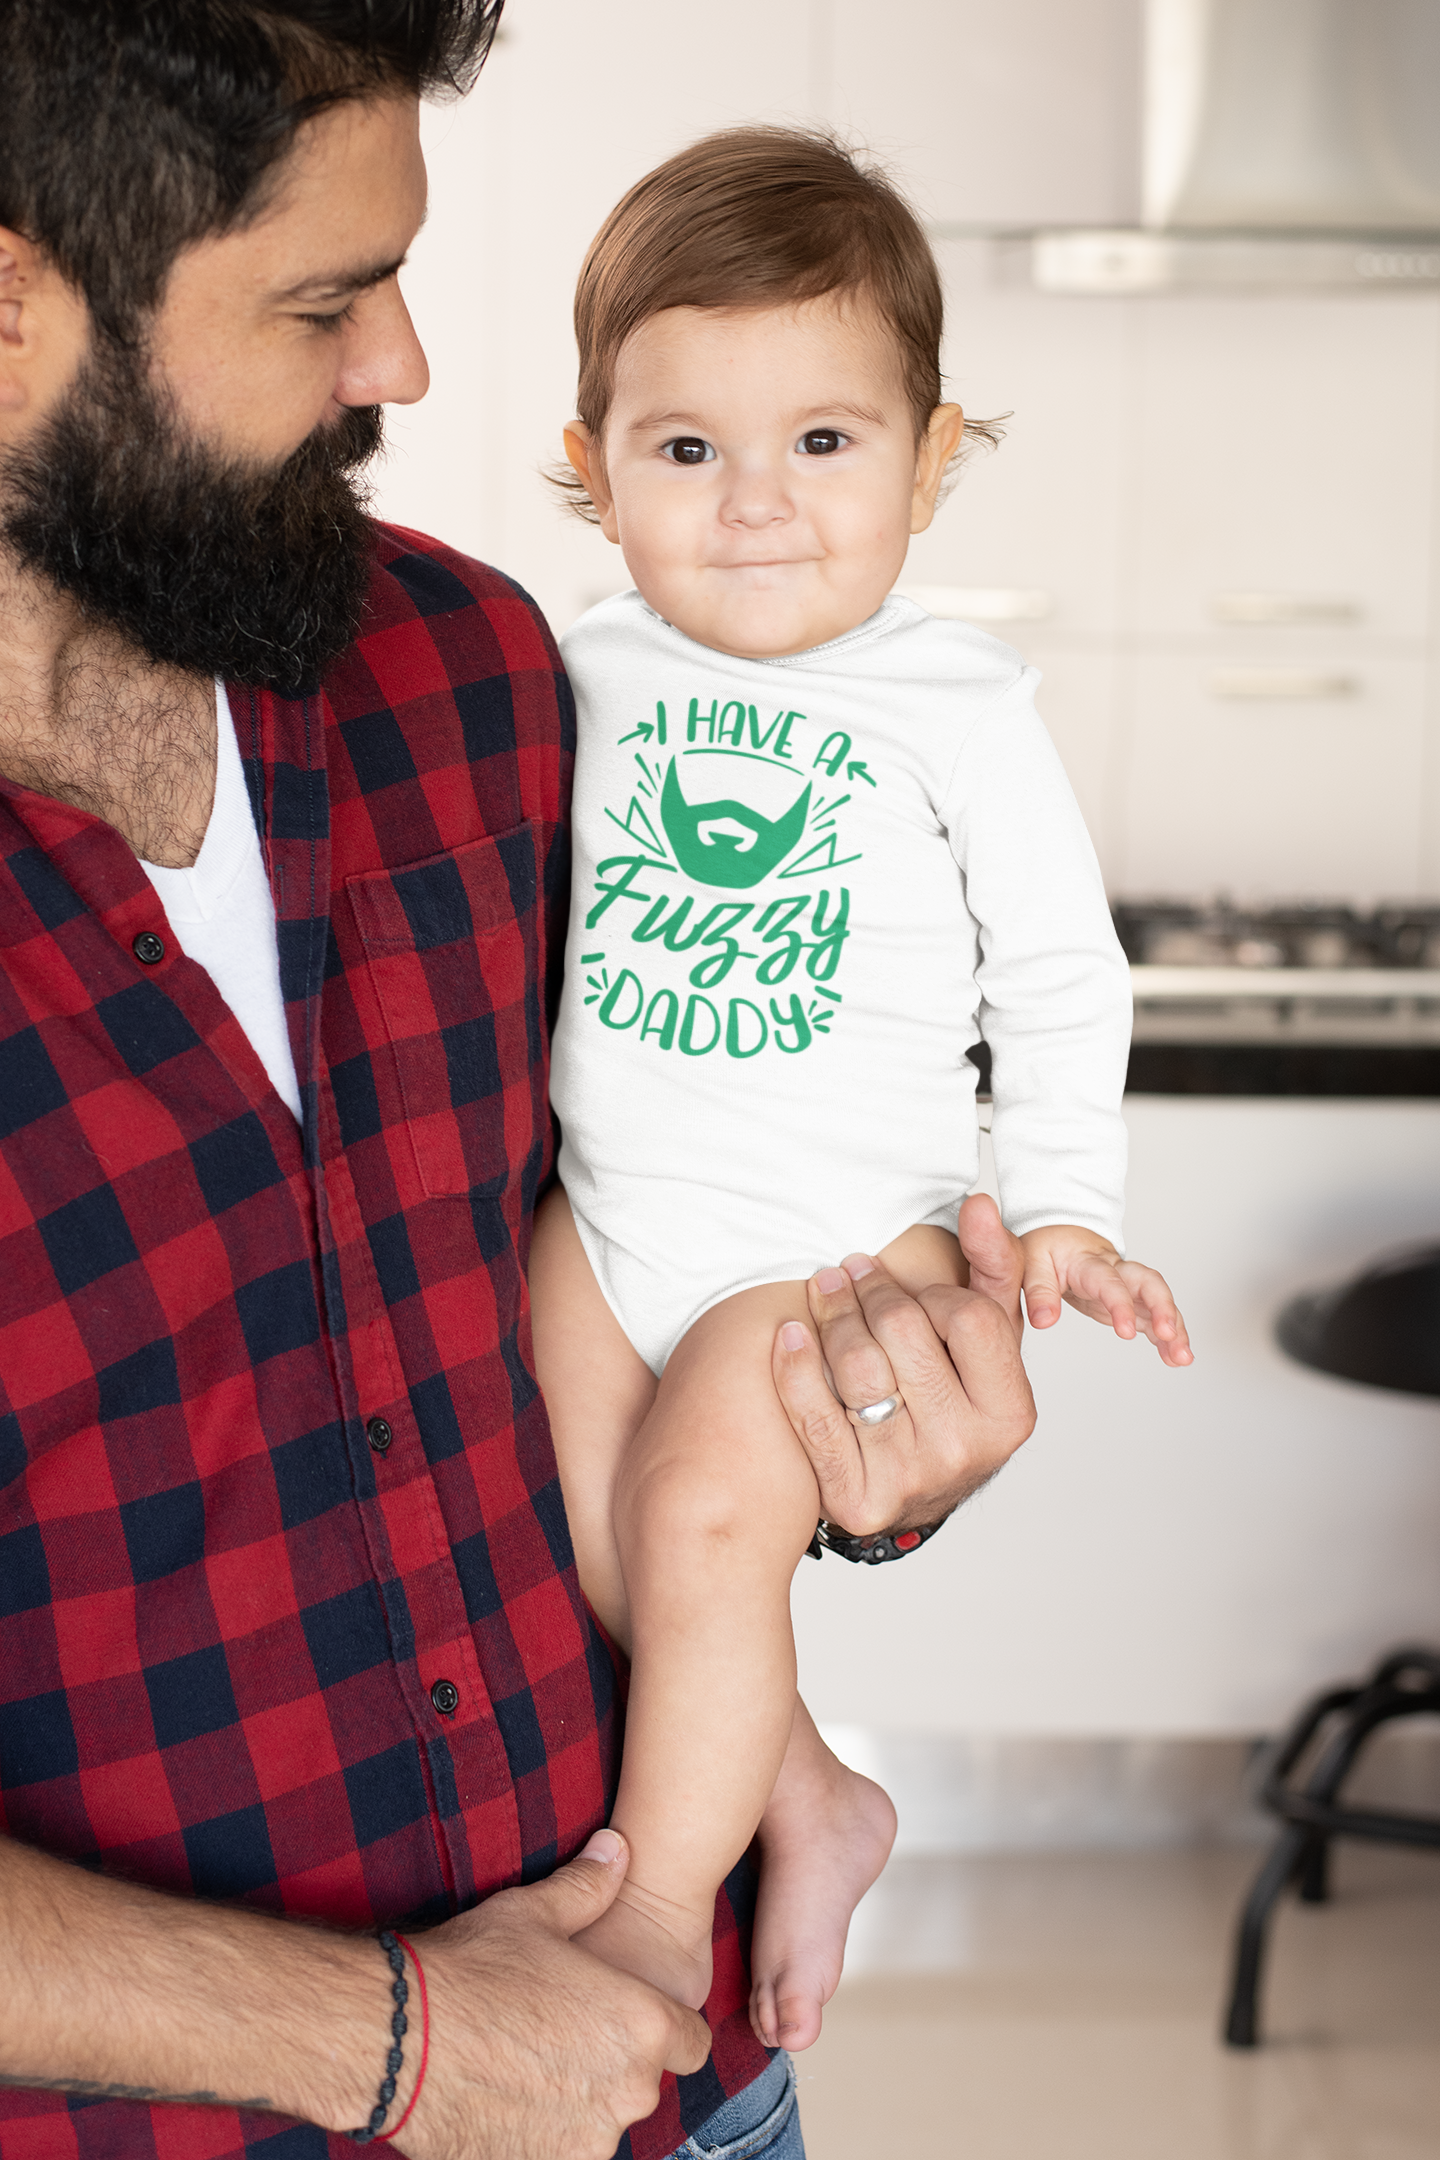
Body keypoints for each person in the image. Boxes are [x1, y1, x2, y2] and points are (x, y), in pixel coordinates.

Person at [0, 12, 1040, 2160]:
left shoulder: (475, 678)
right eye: (317, 300)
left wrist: (879, 1435)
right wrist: (388, 2045)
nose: (403, 365)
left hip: (689, 2096)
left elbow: (647, 1260)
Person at [532, 127, 1194, 2056]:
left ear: (930, 451)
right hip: (619, 1215)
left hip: (823, 1258)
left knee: (712, 1521)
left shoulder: (958, 702)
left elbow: (1059, 971)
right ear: (591, 469)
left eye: (824, 443)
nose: (754, 506)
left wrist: (1066, 1205)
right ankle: (811, 1785)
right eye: (684, 451)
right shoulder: (577, 668)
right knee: (564, 1473)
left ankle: (663, 1910)